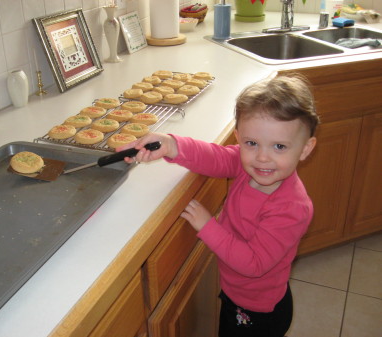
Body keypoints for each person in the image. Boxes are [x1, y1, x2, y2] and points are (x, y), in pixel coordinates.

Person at [118, 74, 319, 337]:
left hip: (256, 313)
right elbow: (215, 157)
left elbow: (254, 263)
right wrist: (171, 145)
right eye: (251, 143)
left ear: (305, 149)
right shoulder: (250, 165)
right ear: (239, 137)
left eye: (279, 146)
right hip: (238, 293)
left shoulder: (291, 208)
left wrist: (207, 226)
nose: (262, 157)